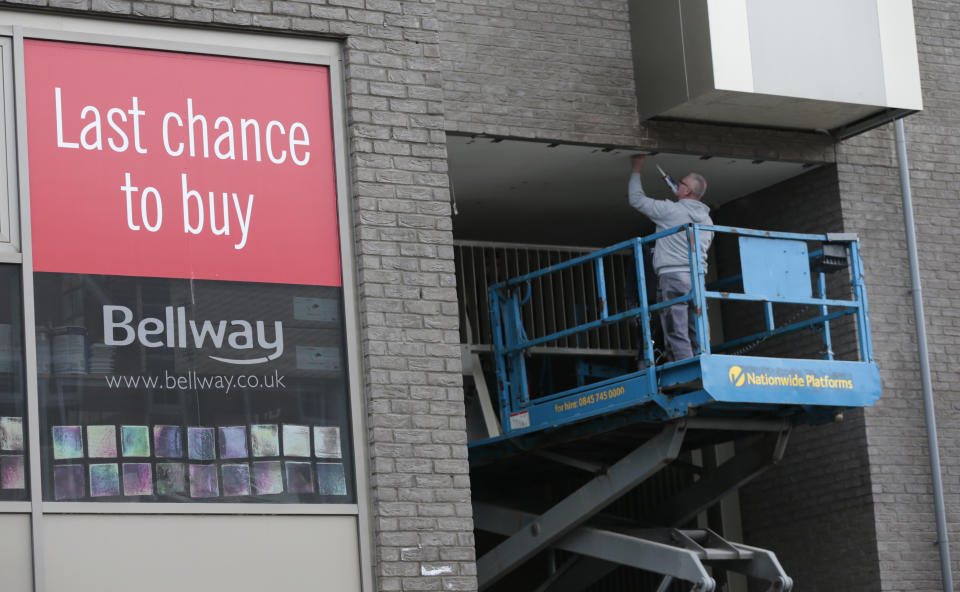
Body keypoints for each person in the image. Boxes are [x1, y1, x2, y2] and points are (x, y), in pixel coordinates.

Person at [628, 154, 713, 362]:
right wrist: (680, 199)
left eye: (681, 182)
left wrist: (636, 169)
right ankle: (702, 362)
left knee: (676, 326)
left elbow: (636, 199)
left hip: (673, 275)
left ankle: (686, 368)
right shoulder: (708, 220)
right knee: (696, 324)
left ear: (687, 190)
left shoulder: (670, 211)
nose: (677, 182)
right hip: (697, 277)